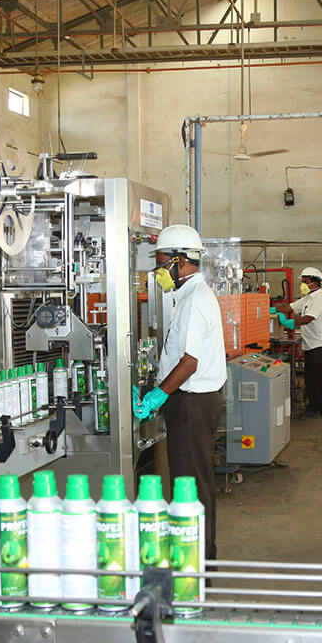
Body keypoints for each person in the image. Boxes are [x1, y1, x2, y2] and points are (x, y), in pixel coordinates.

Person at [133, 224, 227, 560]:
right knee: (192, 481)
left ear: (180, 261)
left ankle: (197, 564)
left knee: (192, 486)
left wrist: (157, 396)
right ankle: (198, 558)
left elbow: (189, 362)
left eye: (161, 264)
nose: (159, 271)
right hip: (191, 402)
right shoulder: (189, 295)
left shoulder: (195, 299)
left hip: (192, 404)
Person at [276, 267, 322, 418]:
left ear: (315, 282)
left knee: (314, 377)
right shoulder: (308, 298)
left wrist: (289, 323)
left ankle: (314, 408)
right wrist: (270, 309)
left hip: (320, 343)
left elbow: (308, 318)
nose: (303, 285)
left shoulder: (320, 299)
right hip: (312, 343)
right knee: (319, 376)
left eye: (305, 281)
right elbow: (289, 307)